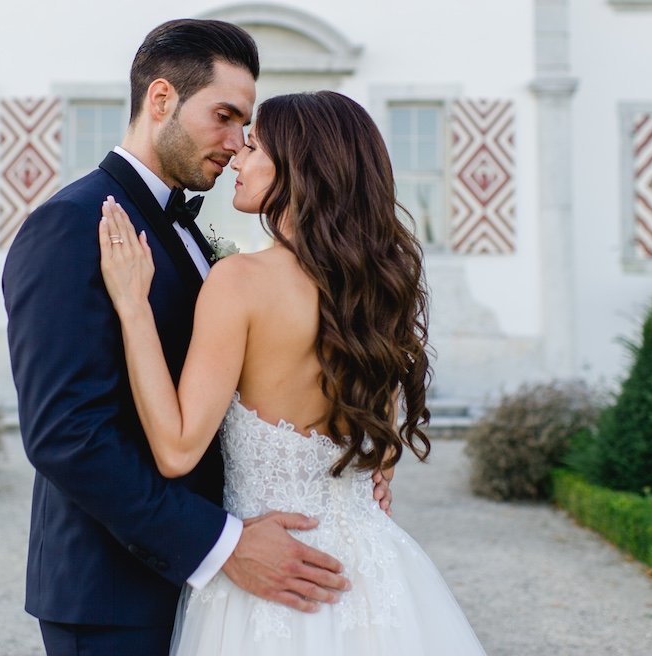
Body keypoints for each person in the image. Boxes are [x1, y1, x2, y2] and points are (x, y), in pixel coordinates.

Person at [3, 20, 386, 656]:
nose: (239, 144)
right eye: (226, 116)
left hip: (213, 588)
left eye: (249, 126)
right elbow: (65, 434)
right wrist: (220, 545)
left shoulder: (195, 232)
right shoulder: (71, 226)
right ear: (161, 101)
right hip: (116, 595)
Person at [98, 90, 488, 654]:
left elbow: (178, 449)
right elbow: (380, 448)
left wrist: (134, 309)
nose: (236, 157)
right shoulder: (378, 289)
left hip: (273, 580)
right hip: (377, 575)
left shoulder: (239, 284)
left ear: (298, 169)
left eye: (252, 146)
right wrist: (378, 471)